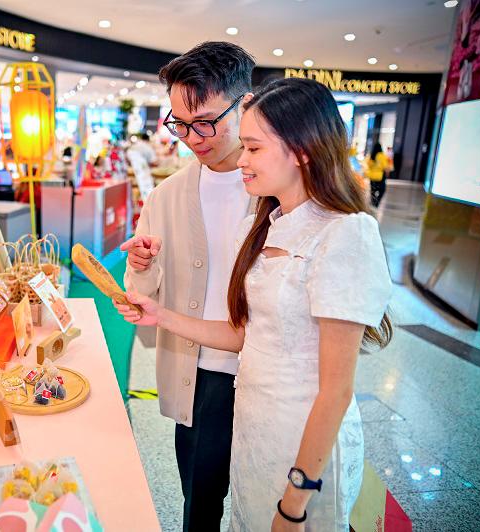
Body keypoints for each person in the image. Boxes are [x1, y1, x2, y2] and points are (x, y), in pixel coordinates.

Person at [115, 78, 392, 531]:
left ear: (302, 149)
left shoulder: (345, 233)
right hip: (253, 432)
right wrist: (160, 315)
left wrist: (295, 502)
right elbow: (244, 334)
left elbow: (336, 390)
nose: (241, 160)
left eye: (254, 148)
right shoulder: (264, 223)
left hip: (303, 448)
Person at [121, 41, 256, 531]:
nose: (193, 137)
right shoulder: (167, 194)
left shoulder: (274, 187)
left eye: (206, 122)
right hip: (197, 373)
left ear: (244, 104)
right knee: (198, 503)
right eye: (180, 123)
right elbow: (143, 290)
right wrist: (140, 265)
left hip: (263, 373)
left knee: (263, 502)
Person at [364, 142, 390, 208]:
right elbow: (385, 167)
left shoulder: (371, 156)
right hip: (380, 176)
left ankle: (373, 203)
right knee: (382, 190)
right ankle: (376, 204)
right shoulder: (382, 155)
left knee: (373, 191)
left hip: (372, 176)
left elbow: (368, 165)